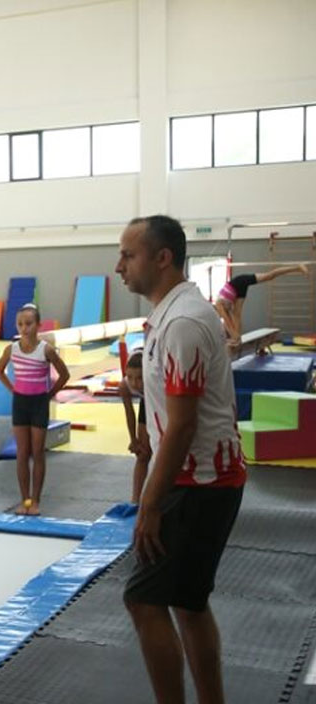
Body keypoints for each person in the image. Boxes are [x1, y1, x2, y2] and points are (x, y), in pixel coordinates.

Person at [116, 214, 247, 704]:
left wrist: (149, 503)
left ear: (162, 257)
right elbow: (172, 414)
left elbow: (185, 423)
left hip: (198, 485)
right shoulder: (171, 316)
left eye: (129, 255)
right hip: (207, 480)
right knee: (188, 605)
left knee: (143, 600)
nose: (119, 266)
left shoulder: (184, 322)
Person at [0, 303, 71, 516]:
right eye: (20, 324)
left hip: (39, 403)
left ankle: (35, 501)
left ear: (38, 325)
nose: (24, 328)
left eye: (28, 324)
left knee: (37, 453)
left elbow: (64, 375)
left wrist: (49, 393)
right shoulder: (12, 349)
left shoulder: (45, 349)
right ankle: (24, 500)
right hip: (20, 403)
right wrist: (13, 389)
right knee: (22, 453)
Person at [213, 264, 309, 345]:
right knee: (236, 317)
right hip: (236, 293)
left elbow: (228, 324)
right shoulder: (222, 309)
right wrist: (235, 338)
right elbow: (230, 324)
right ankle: (237, 338)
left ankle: (297, 267)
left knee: (269, 276)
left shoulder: (218, 306)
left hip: (237, 283)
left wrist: (234, 338)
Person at [118, 353, 152, 504]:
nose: (134, 383)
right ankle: (135, 500)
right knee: (143, 453)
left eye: (139, 378)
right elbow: (129, 412)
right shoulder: (124, 386)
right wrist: (134, 440)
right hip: (147, 400)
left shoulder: (155, 381)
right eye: (130, 377)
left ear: (147, 374)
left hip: (161, 398)